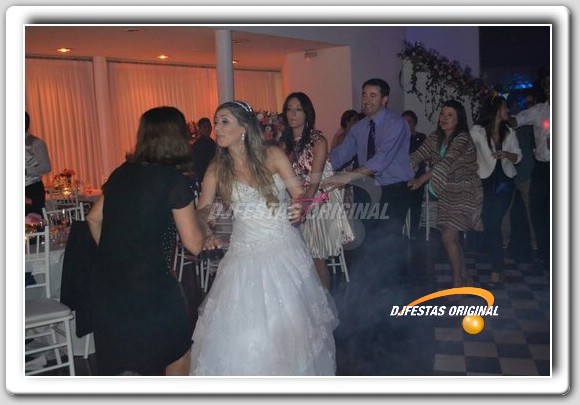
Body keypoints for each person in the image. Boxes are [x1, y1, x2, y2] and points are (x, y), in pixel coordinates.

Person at [190, 100, 338, 376]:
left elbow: (300, 195)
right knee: (246, 338)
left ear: (244, 128)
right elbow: (202, 211)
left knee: (288, 334)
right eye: (216, 121)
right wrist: (207, 230)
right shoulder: (216, 169)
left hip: (282, 250)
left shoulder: (273, 155)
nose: (217, 128)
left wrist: (300, 207)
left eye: (224, 122)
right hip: (242, 257)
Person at [86, 106, 205, 376]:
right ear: (178, 138)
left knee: (127, 365)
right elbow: (194, 244)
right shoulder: (173, 181)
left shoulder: (121, 173)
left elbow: (93, 219)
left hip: (109, 285)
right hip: (150, 285)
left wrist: (119, 254)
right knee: (176, 353)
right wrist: (204, 223)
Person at [324, 78, 414, 283]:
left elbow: (380, 161)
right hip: (366, 189)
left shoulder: (396, 124)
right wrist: (317, 166)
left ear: (385, 99)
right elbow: (340, 155)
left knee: (388, 241)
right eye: (364, 95)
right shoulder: (359, 127)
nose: (366, 100)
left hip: (393, 190)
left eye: (373, 95)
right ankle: (372, 289)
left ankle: (395, 288)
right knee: (365, 240)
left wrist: (345, 177)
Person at [280, 92, 354, 290]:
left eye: (298, 109)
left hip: (317, 199)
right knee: (296, 257)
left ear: (307, 113)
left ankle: (324, 303)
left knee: (315, 256)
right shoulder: (284, 143)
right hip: (294, 197)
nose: (293, 114)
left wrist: (304, 205)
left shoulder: (317, 140)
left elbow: (315, 180)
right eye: (289, 109)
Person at [408, 100, 483, 289]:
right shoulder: (435, 138)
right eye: (442, 114)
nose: (444, 118)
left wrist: (421, 179)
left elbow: (446, 162)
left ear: (459, 119)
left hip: (465, 191)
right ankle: (465, 277)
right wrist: (399, 172)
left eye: (450, 115)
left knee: (448, 237)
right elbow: (417, 156)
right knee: (452, 238)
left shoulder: (463, 139)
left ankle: (457, 283)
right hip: (447, 193)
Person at [471, 94, 522, 285]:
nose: (507, 110)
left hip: (505, 182)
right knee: (488, 223)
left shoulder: (509, 131)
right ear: (495, 110)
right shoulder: (478, 130)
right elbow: (465, 147)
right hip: (485, 181)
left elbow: (519, 156)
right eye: (504, 107)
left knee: (493, 224)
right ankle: (497, 264)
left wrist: (507, 154)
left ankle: (496, 269)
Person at [510, 76, 550, 267]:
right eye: (547, 85)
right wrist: (503, 118)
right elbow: (519, 119)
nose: (549, 88)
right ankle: (544, 254)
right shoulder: (539, 110)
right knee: (539, 212)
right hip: (542, 168)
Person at [501, 91, 538, 254]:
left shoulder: (529, 123)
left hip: (524, 171)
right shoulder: (506, 124)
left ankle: (534, 243)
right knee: (506, 209)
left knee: (529, 209)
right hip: (511, 172)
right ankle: (507, 242)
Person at [402, 110, 427, 240]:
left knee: (416, 200)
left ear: (414, 123)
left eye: (409, 121)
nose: (406, 124)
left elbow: (424, 156)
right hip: (402, 176)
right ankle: (399, 230)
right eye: (404, 122)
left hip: (418, 176)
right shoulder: (398, 139)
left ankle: (413, 231)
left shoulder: (421, 137)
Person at [25, 111, 51, 215]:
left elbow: (46, 167)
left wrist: (26, 171)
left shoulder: (36, 143)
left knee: (33, 221)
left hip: (31, 189)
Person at [191, 117, 217, 185]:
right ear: (200, 129)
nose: (207, 129)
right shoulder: (197, 145)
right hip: (202, 176)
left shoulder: (213, 143)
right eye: (204, 127)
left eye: (209, 126)